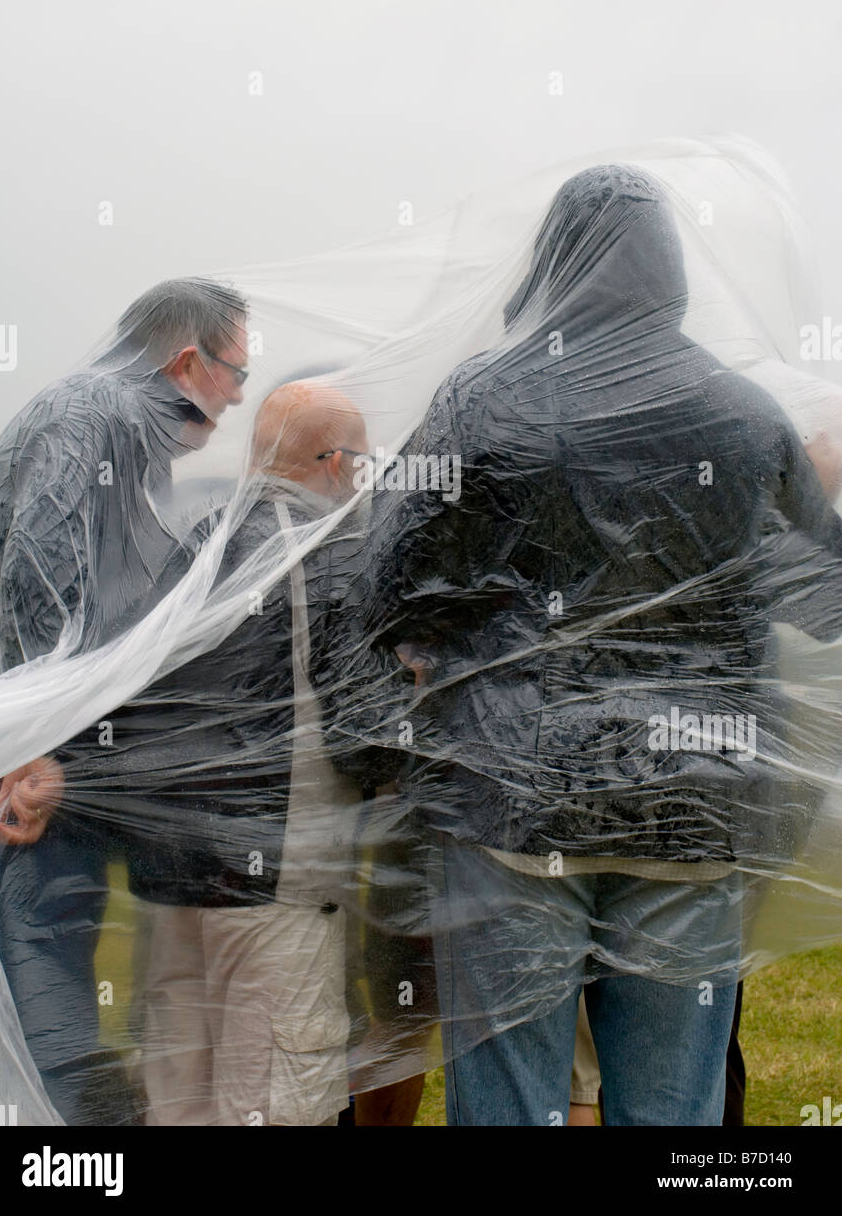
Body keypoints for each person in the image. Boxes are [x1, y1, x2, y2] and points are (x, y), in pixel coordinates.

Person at [356, 164, 842, 1125]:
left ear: (553, 261)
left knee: (512, 1101)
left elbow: (388, 582)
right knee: (674, 1114)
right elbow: (822, 588)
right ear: (672, 272)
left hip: (514, 804)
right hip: (693, 803)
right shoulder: (743, 415)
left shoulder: (484, 401)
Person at [0, 277, 248, 1124]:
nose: (239, 397)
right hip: (25, 787)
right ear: (186, 362)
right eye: (235, 372)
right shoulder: (100, 418)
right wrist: (39, 746)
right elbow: (41, 573)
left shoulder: (99, 419)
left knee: (23, 1005)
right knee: (45, 1000)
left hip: (31, 768)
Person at [99, 379, 401, 1126]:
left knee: (178, 1096)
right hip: (279, 884)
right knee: (273, 1102)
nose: (363, 479)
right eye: (360, 462)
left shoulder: (184, 548)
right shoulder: (327, 556)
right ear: (333, 462)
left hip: (169, 880)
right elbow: (365, 737)